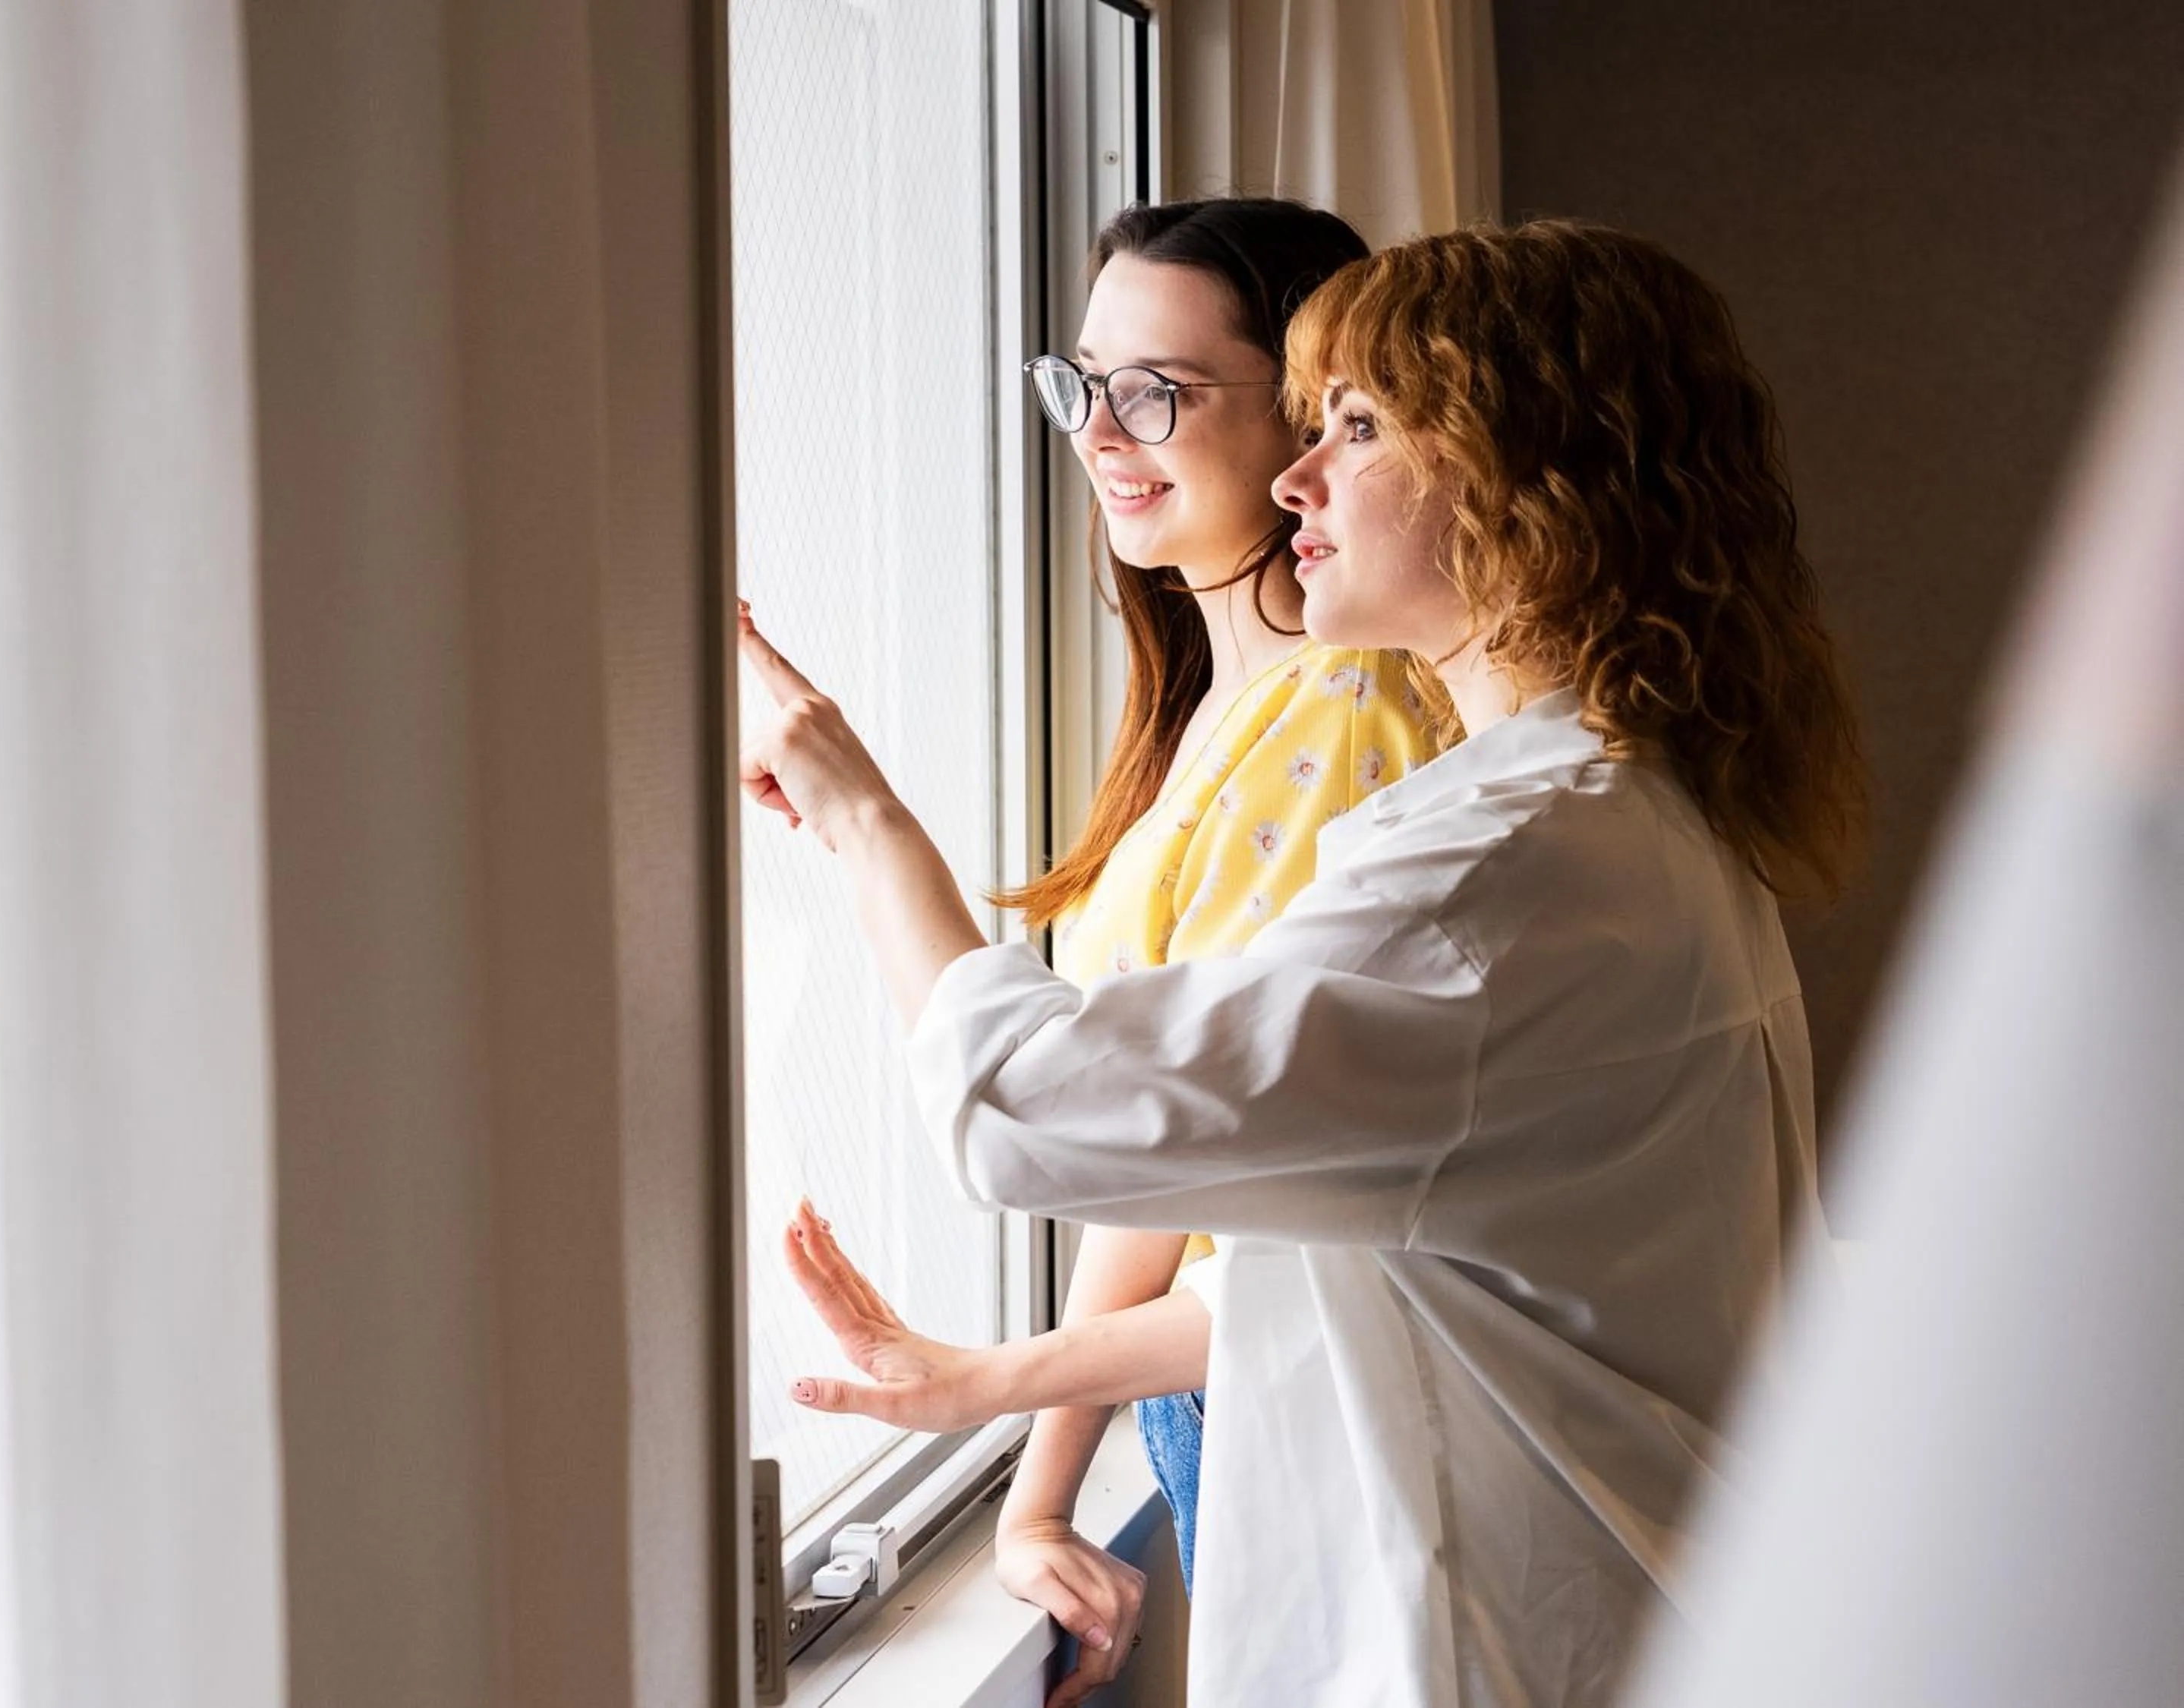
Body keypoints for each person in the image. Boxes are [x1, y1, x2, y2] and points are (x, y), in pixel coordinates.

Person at [740, 219, 1867, 1708]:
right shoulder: (1616, 810)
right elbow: (1373, 1255)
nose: (1296, 476)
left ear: (1531, 478)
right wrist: (984, 1388)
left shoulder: (1502, 872)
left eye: (1356, 426)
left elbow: (1039, 1114)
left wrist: (861, 813)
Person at [995, 196, 1441, 1684]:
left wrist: (1040, 1492)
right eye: (1083, 384)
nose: (1101, 435)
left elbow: (1183, 1151)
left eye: (1157, 392)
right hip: (1215, 1372)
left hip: (1268, 1373)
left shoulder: (1338, 709)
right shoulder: (1209, 708)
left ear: (1310, 410)